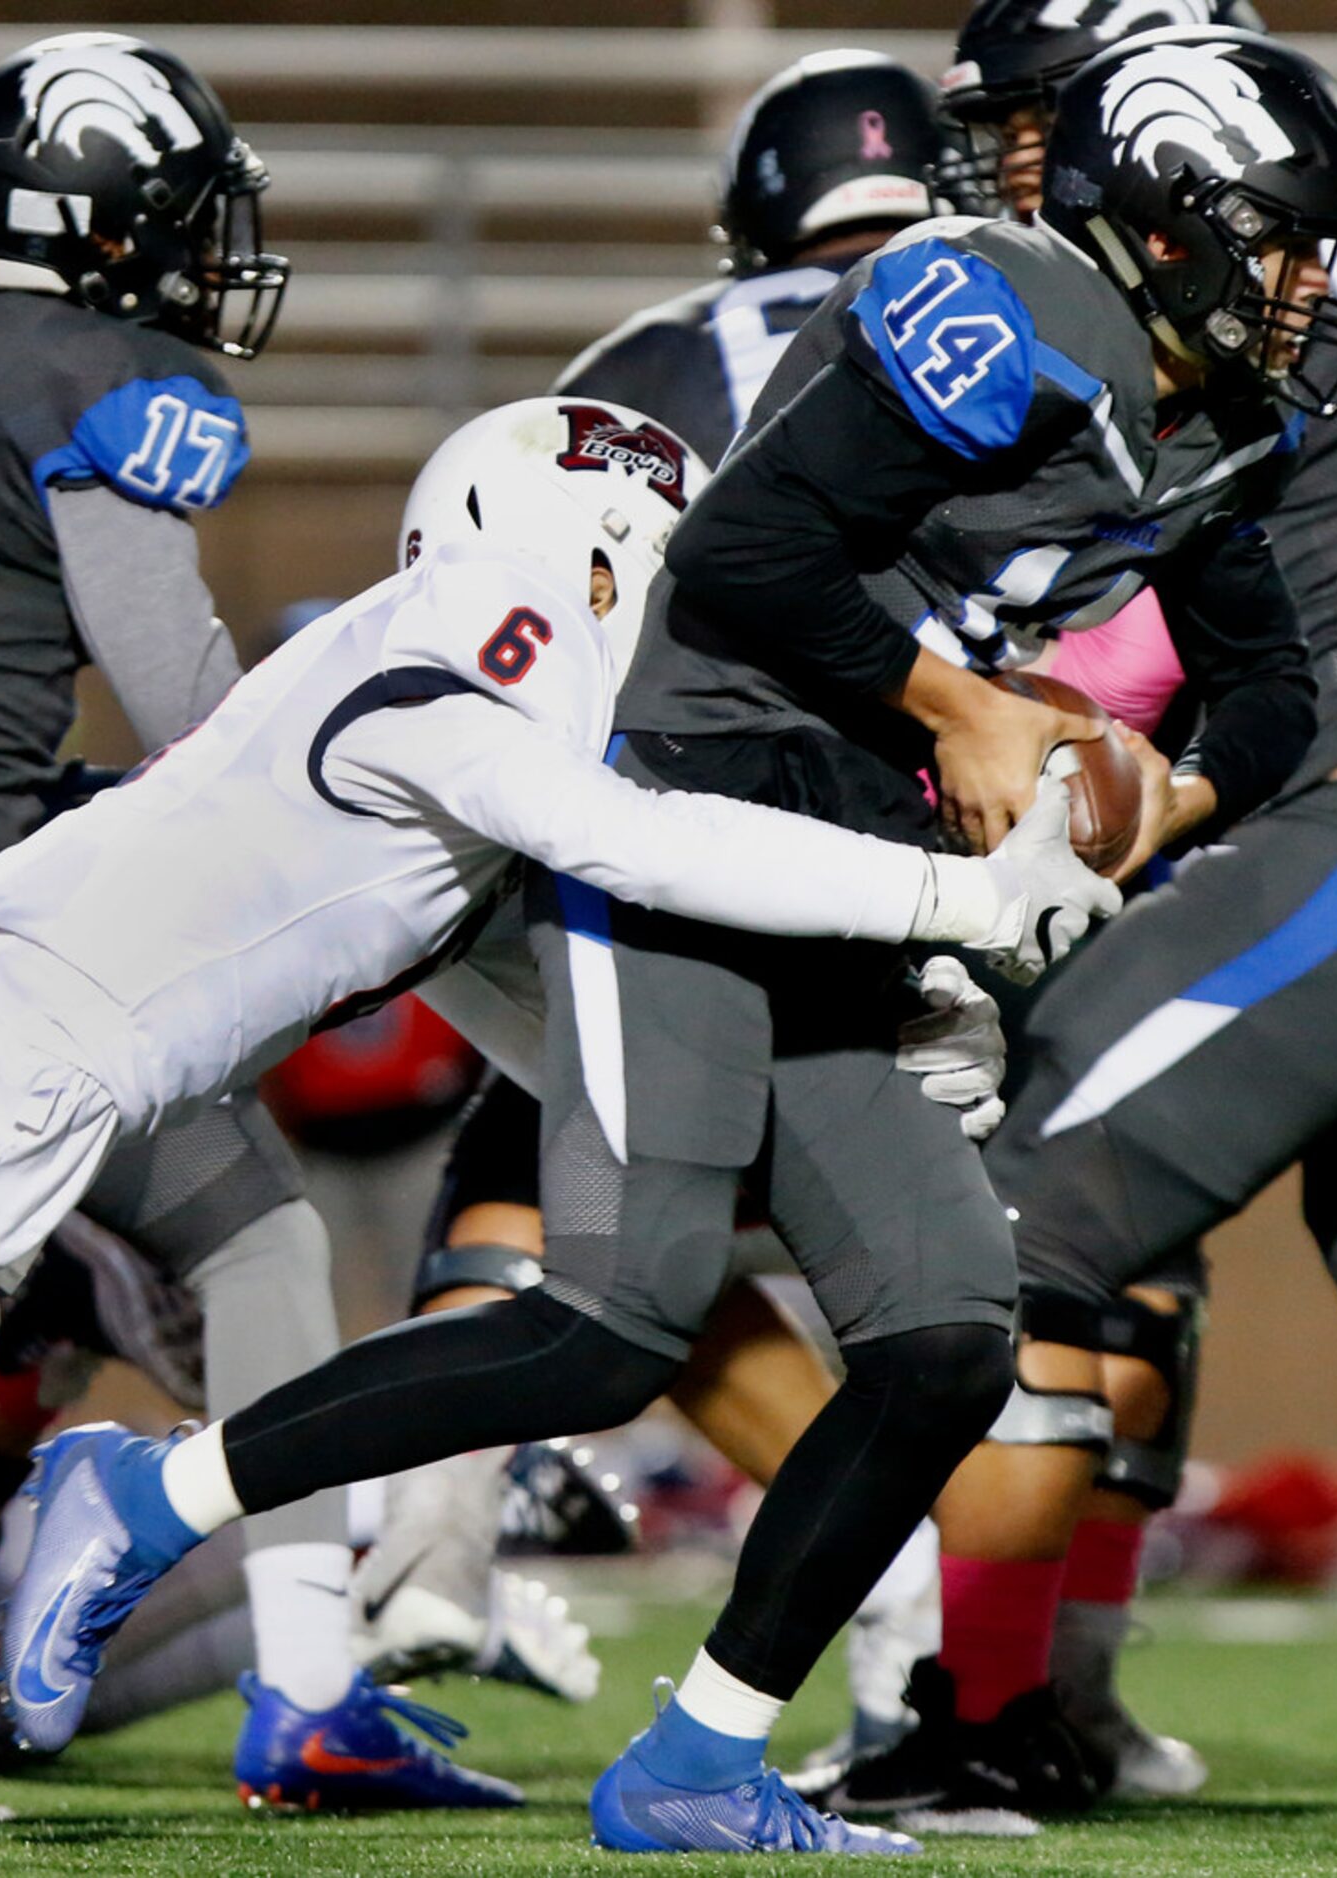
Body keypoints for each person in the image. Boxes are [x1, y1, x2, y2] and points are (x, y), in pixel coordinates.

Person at [0, 24, 1337, 1858]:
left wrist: (1159, 795)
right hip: (690, 805)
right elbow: (742, 561)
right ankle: (148, 1491)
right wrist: (967, 710)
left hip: (840, 840)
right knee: (612, 1319)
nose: (1311, 280)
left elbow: (1273, 687)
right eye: (1282, 236)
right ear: (1177, 218)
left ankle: (701, 1760)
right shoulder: (1006, 304)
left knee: (950, 1328)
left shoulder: (1220, 403)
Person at [814, 0, 1337, 1830]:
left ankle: (992, 1718)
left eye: (1035, 120)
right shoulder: (1298, 307)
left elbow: (1066, 626)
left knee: (1009, 1192)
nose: (1009, 155)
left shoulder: (1207, 302)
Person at [364, 48, 975, 1753]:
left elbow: (468, 573)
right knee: (899, 1264)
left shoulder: (635, 356)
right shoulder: (985, 329)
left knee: (582, 1180)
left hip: (611, 820)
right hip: (894, 838)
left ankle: (428, 1530)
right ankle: (946, 1664)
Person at [0, 29, 486, 1813]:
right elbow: (192, 706)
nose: (192, 253)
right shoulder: (98, 377)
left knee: (245, 1227)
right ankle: (306, 1686)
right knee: (253, 1244)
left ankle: (311, 1690)